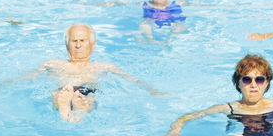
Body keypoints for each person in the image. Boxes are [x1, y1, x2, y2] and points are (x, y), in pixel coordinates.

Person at [22, 24, 166, 121]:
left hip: (87, 89)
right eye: (74, 41)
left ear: (93, 44)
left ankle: (77, 110)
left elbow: (133, 80)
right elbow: (26, 77)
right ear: (67, 44)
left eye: (82, 40)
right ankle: (64, 107)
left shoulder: (103, 67)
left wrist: (153, 91)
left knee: (88, 97)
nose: (78, 45)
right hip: (63, 90)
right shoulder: (53, 64)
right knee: (57, 94)